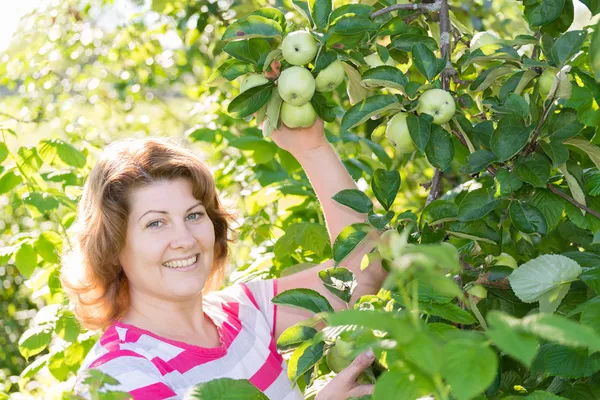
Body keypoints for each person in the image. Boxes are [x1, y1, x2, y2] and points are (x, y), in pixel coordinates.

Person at [61, 117, 388, 399]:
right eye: (155, 223)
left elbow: (364, 272)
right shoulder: (118, 373)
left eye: (193, 215)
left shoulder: (244, 312)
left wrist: (311, 147)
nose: (185, 240)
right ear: (113, 247)